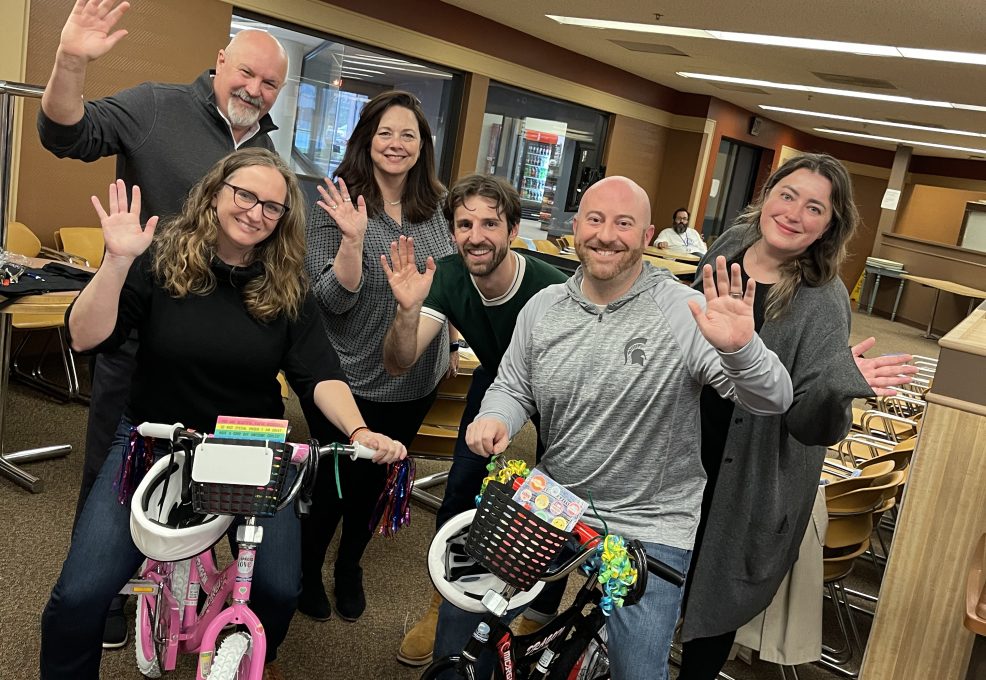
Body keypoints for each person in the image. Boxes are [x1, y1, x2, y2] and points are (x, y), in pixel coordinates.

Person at [39, 148, 405, 680]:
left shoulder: (286, 286)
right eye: (245, 195)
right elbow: (83, 335)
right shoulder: (159, 261)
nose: (256, 212)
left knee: (280, 589)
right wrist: (117, 261)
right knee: (81, 593)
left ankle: (255, 653)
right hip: (155, 440)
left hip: (248, 449)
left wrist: (360, 429)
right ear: (216, 193)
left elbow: (319, 374)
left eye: (273, 207)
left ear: (283, 220)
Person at [438, 175, 795, 680]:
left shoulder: (681, 309)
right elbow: (513, 385)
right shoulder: (544, 308)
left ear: (648, 236)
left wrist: (742, 348)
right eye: (596, 220)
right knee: (466, 603)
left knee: (637, 671)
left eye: (624, 223)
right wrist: (494, 416)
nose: (607, 235)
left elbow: (772, 397)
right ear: (577, 227)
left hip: (650, 520)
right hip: (555, 500)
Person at [38, 0, 289, 646]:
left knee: (206, 476)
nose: (255, 90)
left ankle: (185, 590)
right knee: (113, 476)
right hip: (137, 327)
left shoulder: (263, 151)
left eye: (270, 85)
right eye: (248, 74)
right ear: (219, 63)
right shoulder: (155, 107)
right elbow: (65, 131)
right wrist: (69, 60)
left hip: (212, 345)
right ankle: (111, 596)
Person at [677, 153, 917, 678]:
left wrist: (837, 385)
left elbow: (813, 428)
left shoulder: (822, 299)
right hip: (686, 447)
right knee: (660, 573)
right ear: (767, 197)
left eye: (815, 207)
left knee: (711, 602)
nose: (794, 213)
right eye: (787, 195)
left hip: (750, 473)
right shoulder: (727, 249)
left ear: (830, 225)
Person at [379, 174, 567, 666]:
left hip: (558, 391)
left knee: (555, 501)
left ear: (512, 230)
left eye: (489, 222)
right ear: (453, 231)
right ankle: (445, 601)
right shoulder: (444, 275)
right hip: (496, 375)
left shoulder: (552, 287)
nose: (476, 235)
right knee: (461, 488)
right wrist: (406, 310)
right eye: (465, 224)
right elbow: (400, 360)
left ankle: (539, 617)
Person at [300, 90, 456, 623]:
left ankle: (349, 567)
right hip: (344, 376)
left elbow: (452, 282)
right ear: (366, 137)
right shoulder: (337, 201)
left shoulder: (439, 209)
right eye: (385, 132)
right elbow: (331, 299)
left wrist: (451, 340)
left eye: (408, 134)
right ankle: (306, 566)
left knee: (375, 483)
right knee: (334, 484)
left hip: (413, 376)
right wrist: (353, 240)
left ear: (422, 145)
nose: (396, 144)